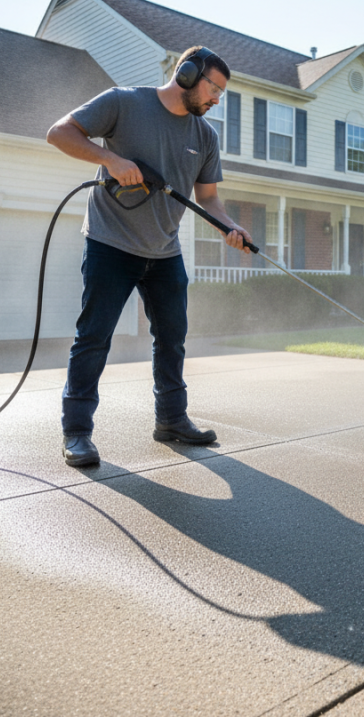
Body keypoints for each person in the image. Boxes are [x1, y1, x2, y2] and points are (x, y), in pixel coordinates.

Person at [46, 46, 250, 467]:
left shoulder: (204, 137)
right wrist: (110, 158)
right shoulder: (124, 102)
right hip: (110, 243)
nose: (217, 100)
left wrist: (229, 226)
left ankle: (172, 420)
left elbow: (209, 199)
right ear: (189, 74)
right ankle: (77, 433)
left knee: (172, 340)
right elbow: (59, 132)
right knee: (94, 338)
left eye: (221, 94)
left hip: (165, 251)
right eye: (214, 89)